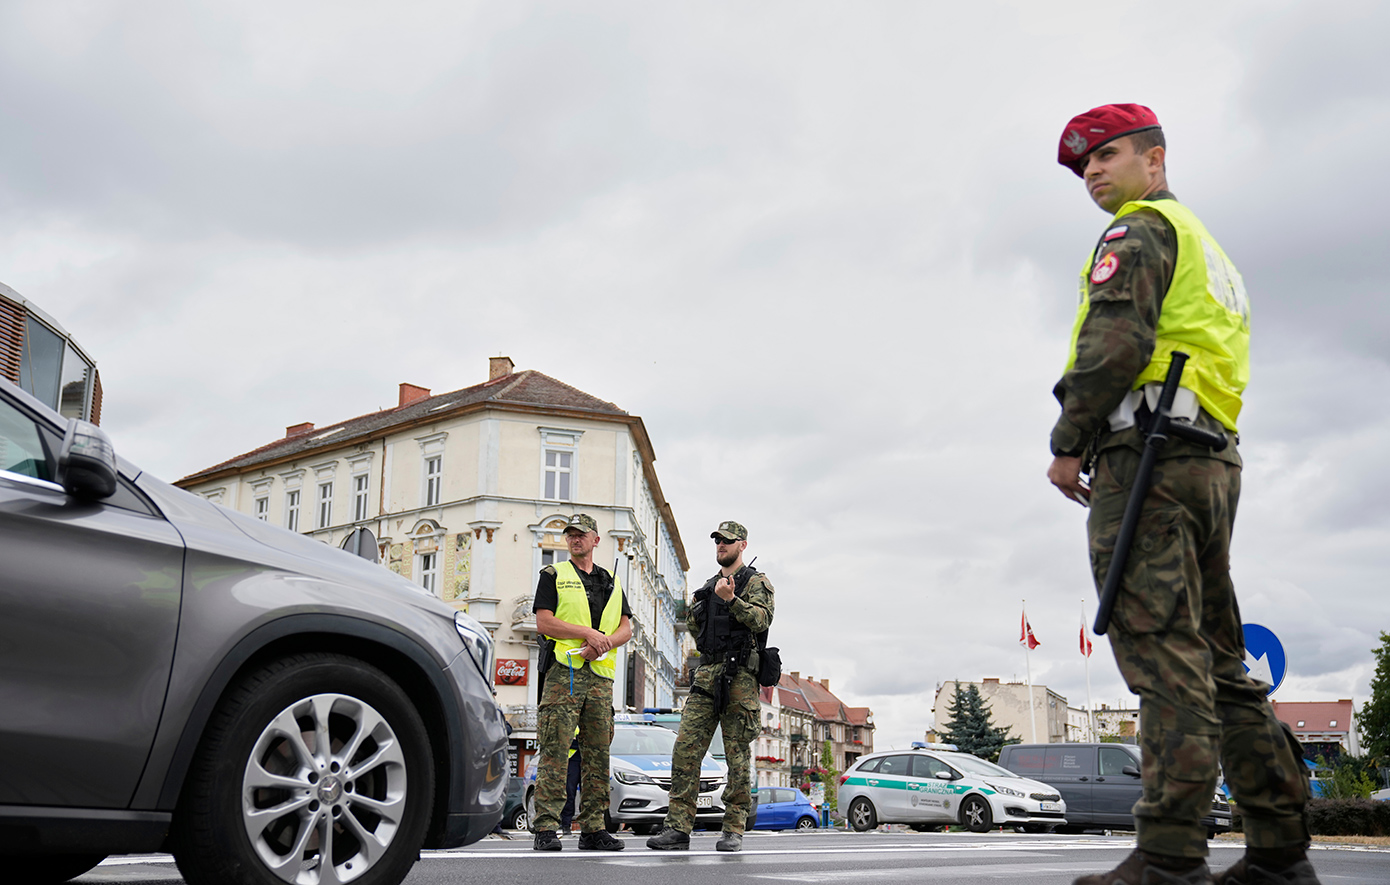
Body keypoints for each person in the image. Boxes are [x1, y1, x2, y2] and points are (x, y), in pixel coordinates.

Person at [1046, 104, 1317, 885]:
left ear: (1155, 162)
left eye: (1108, 155)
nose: (1094, 171)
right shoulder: (1213, 252)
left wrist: (1069, 441)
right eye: (1083, 165)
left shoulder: (1139, 230)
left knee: (1164, 654)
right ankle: (1279, 848)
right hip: (1211, 461)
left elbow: (1115, 341)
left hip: (1149, 459)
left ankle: (1168, 855)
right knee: (1223, 660)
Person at [647, 521, 774, 853]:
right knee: (686, 751)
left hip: (740, 679)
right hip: (707, 676)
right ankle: (677, 828)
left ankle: (733, 829)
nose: (721, 546)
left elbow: (762, 620)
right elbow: (694, 626)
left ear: (742, 545)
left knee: (737, 756)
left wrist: (732, 601)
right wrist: (704, 604)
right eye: (718, 540)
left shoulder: (755, 582)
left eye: (727, 542)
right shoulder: (706, 587)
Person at [530, 513, 633, 852]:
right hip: (565, 672)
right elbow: (544, 622)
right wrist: (587, 634)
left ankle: (593, 829)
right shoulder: (553, 574)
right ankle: (546, 827)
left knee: (597, 754)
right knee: (556, 749)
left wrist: (603, 642)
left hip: (601, 677)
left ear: (595, 540)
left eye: (582, 534)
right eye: (570, 534)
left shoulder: (612, 582)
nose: (575, 539)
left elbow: (626, 629)